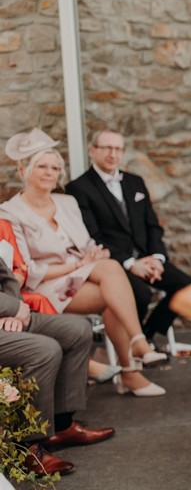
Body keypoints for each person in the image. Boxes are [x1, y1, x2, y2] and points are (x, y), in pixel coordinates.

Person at [0, 129, 167, 398]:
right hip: (46, 285)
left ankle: (132, 363)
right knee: (112, 278)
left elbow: (87, 243)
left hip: (85, 273)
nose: (49, 172)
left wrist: (94, 254)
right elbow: (29, 270)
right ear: (23, 171)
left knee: (109, 280)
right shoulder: (10, 212)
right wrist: (78, 266)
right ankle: (134, 361)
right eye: (42, 166)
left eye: (55, 167)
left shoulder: (66, 202)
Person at [66, 129, 191, 348]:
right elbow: (91, 237)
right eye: (106, 148)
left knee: (188, 286)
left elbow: (153, 225)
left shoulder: (135, 182)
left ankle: (147, 334)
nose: (112, 154)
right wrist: (130, 264)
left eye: (118, 149)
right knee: (142, 295)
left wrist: (156, 258)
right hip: (115, 263)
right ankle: (128, 346)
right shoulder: (78, 188)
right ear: (93, 150)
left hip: (147, 257)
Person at [1, 248, 115, 476]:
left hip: (8, 313)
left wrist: (16, 311)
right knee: (44, 350)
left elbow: (5, 277)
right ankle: (27, 446)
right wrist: (13, 308)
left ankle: (61, 424)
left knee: (77, 330)